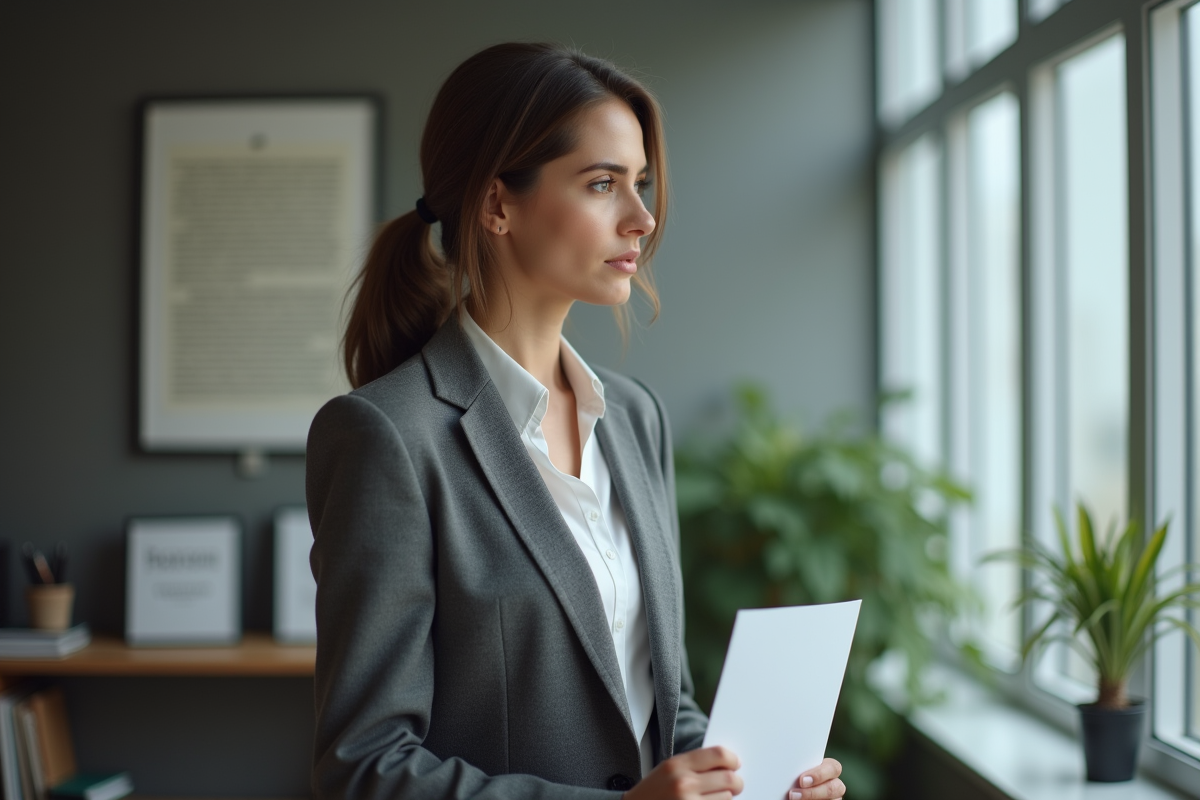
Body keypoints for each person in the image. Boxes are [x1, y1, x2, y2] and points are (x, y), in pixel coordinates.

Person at [305, 42, 847, 800]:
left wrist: (752, 779)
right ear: (497, 205)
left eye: (641, 185)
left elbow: (664, 712)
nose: (642, 218)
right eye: (602, 185)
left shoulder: (633, 418)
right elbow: (364, 766)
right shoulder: (387, 437)